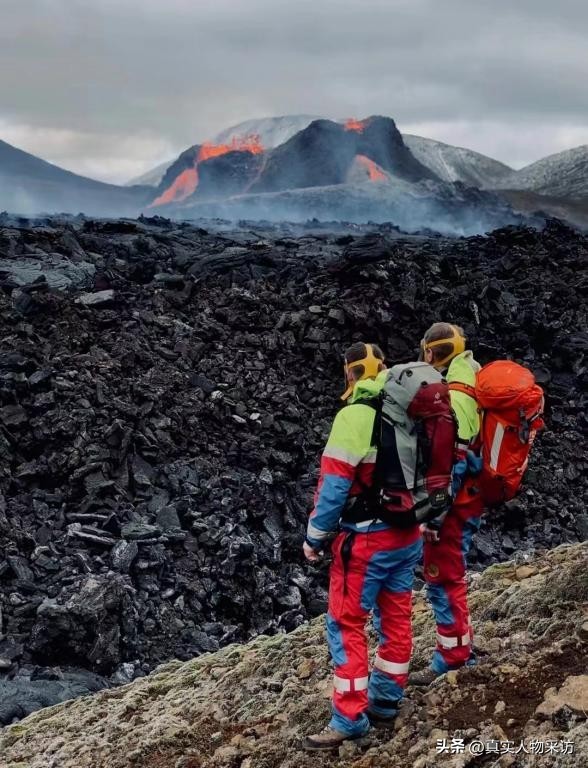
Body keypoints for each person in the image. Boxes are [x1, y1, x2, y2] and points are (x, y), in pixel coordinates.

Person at [301, 342, 423, 751]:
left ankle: (350, 717)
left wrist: (315, 537)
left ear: (351, 375)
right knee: (396, 615)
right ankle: (386, 701)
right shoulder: (408, 409)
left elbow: (334, 486)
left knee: (347, 623)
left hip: (367, 540)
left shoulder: (353, 416)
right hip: (408, 534)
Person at [409, 323, 483, 686]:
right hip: (469, 497)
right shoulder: (470, 378)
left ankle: (454, 657)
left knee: (442, 575)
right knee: (450, 572)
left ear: (433, 352)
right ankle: (460, 647)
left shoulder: (455, 395)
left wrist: (433, 516)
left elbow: (455, 458)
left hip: (455, 502)